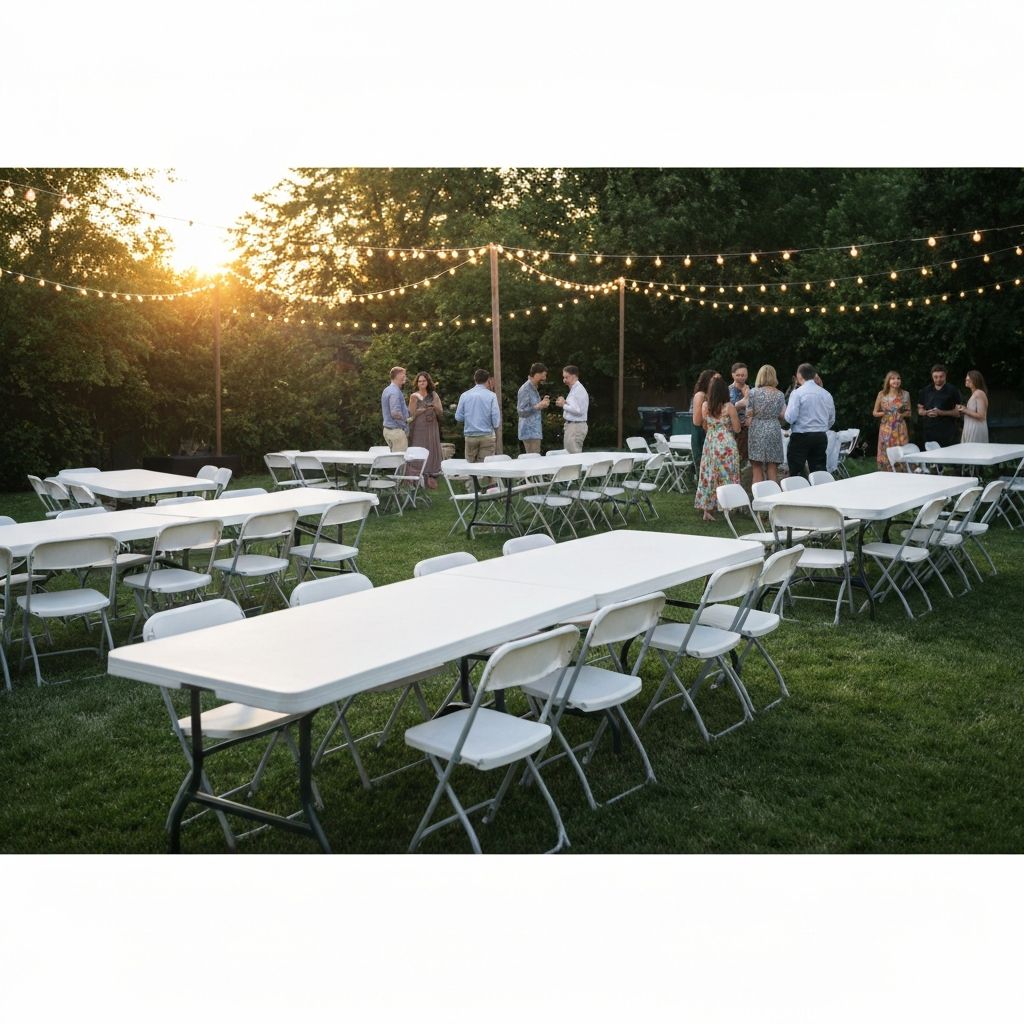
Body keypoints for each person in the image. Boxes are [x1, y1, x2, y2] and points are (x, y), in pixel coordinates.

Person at [693, 376, 741, 522]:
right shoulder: (729, 407)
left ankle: (707, 510)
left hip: (711, 443)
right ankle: (727, 506)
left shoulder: (705, 406)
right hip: (726, 444)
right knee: (727, 474)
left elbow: (704, 425)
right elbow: (737, 429)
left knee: (709, 475)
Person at [784, 362, 835, 478]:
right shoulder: (826, 394)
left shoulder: (797, 393)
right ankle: (820, 494)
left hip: (801, 435)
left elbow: (790, 418)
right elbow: (832, 418)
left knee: (796, 471)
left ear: (799, 376)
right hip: (820, 436)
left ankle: (797, 494)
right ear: (814, 375)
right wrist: (821, 428)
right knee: (819, 471)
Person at [740, 364, 786, 484]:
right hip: (773, 429)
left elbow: (748, 415)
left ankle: (759, 499)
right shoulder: (780, 394)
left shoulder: (753, 393)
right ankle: (774, 497)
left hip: (757, 429)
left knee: (756, 467)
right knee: (772, 467)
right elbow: (783, 415)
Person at [454, 368, 501, 462]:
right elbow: (495, 418)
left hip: (470, 435)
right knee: (485, 467)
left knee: (471, 466)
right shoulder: (492, 395)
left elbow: (458, 417)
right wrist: (494, 426)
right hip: (487, 435)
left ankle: (473, 477)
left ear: (475, 380)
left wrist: (469, 418)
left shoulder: (464, 395)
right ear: (488, 380)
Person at [407, 371, 444, 489]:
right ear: (417, 383)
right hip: (419, 426)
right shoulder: (414, 396)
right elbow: (410, 414)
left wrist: (434, 407)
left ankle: (431, 474)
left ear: (428, 382)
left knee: (431, 447)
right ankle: (417, 474)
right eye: (419, 381)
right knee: (419, 446)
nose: (422, 383)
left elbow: (440, 412)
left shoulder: (433, 395)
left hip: (432, 425)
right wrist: (420, 410)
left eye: (424, 381)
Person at [872, 370, 911, 471]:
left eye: (898, 378)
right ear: (888, 381)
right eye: (893, 378)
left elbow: (909, 412)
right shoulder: (881, 394)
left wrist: (901, 415)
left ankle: (903, 473)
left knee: (901, 450)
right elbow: (875, 412)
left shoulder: (905, 394)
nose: (896, 381)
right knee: (886, 451)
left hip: (900, 427)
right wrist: (885, 413)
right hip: (886, 428)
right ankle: (886, 473)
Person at [917, 364, 961, 448]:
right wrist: (926, 412)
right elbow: (920, 410)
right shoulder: (926, 390)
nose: (938, 379)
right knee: (931, 458)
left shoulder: (953, 390)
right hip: (929, 432)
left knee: (947, 458)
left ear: (945, 376)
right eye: (935, 377)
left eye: (941, 376)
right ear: (932, 376)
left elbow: (958, 413)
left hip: (947, 433)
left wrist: (941, 412)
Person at [517, 362, 550, 454]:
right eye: (543, 376)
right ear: (537, 374)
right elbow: (521, 411)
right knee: (533, 462)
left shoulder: (533, 388)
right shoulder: (525, 389)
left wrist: (542, 404)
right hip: (529, 433)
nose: (544, 379)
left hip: (534, 432)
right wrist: (538, 406)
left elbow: (534, 407)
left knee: (535, 461)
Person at [556, 364, 589, 453]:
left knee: (574, 458)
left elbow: (578, 411)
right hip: (572, 426)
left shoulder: (579, 390)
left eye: (566, 377)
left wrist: (563, 405)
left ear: (574, 376)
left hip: (576, 427)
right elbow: (575, 407)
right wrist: (565, 402)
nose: (564, 380)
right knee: (569, 456)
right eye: (563, 377)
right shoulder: (574, 389)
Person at [690, 369, 716, 474]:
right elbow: (697, 421)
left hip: (709, 432)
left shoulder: (711, 395)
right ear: (707, 381)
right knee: (702, 464)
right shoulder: (700, 395)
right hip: (700, 433)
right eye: (714, 380)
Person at [380, 366, 409, 452]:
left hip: (388, 430)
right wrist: (404, 424)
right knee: (400, 462)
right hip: (396, 432)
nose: (405, 377)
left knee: (393, 460)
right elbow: (395, 413)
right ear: (398, 376)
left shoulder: (387, 390)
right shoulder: (395, 392)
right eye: (403, 375)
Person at [957, 370, 989, 444]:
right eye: (966, 379)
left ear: (975, 380)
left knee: (975, 452)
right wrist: (963, 408)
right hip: (971, 427)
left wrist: (965, 410)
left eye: (968, 379)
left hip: (976, 428)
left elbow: (982, 416)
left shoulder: (979, 393)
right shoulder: (975, 393)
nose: (966, 381)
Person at [728, 362, 750, 466]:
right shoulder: (727, 390)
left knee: (745, 461)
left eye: (743, 375)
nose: (741, 377)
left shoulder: (750, 390)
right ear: (732, 375)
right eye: (738, 375)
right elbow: (725, 411)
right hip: (731, 429)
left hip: (747, 429)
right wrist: (741, 403)